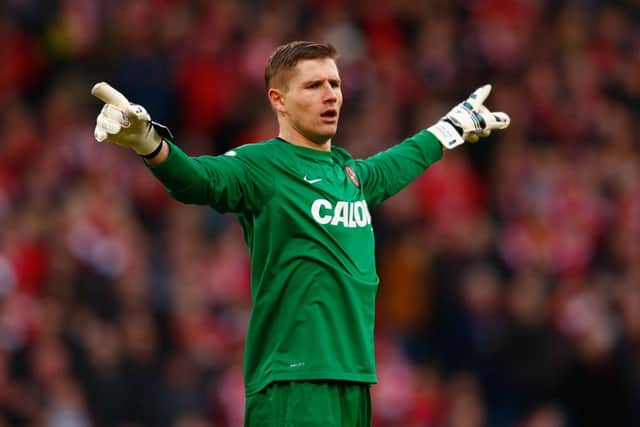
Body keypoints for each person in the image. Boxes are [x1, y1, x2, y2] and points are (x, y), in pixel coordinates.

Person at [91, 41, 510, 426]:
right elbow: (198, 180)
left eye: (335, 84)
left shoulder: (350, 176)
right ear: (280, 100)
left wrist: (450, 129)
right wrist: (148, 142)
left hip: (353, 379)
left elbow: (396, 163)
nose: (330, 94)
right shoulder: (263, 166)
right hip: (295, 381)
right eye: (313, 85)